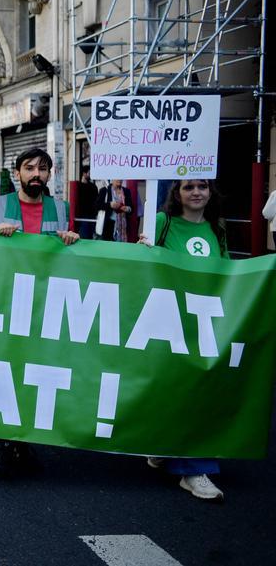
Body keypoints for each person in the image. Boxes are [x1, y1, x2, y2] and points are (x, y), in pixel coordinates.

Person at [0, 148, 78, 478]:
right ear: (16, 173)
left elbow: (75, 259)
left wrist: (72, 241)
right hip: (4, 303)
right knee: (5, 371)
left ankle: (22, 441)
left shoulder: (61, 210)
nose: (36, 174)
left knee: (34, 375)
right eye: (29, 168)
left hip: (43, 307)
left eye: (43, 169)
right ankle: (7, 443)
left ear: (50, 175)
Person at [139, 179, 227, 501]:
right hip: (168, 320)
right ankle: (189, 466)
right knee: (175, 388)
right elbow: (143, 262)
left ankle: (189, 464)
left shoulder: (217, 228)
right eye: (188, 186)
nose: (196, 192)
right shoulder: (161, 223)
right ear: (176, 193)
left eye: (202, 186)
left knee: (196, 390)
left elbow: (227, 272)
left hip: (201, 322)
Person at [74, 166, 100, 239]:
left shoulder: (93, 186)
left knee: (91, 236)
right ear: (84, 173)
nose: (91, 174)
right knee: (84, 236)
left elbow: (96, 200)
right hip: (82, 215)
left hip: (92, 215)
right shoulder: (78, 186)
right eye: (89, 173)